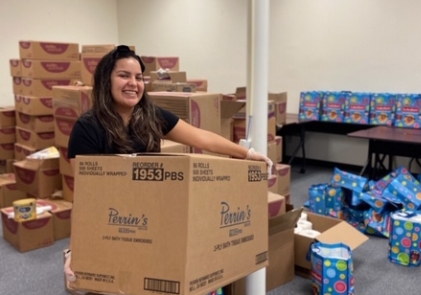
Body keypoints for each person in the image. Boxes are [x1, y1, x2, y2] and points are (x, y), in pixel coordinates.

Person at [64, 45, 272, 284]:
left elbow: (200, 137)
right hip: (115, 224)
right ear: (105, 80)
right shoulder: (88, 128)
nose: (133, 83)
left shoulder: (150, 116)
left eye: (138, 77)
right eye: (124, 75)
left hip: (152, 216)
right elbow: (85, 199)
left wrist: (247, 153)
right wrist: (77, 248)